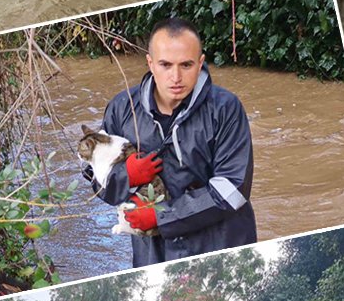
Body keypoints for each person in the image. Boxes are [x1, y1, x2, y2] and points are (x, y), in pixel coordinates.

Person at [88, 17, 256, 266]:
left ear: (200, 64)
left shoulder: (225, 109)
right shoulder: (122, 108)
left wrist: (162, 215)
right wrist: (126, 177)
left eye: (186, 65)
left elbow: (233, 188)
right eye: (165, 65)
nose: (175, 77)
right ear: (150, 63)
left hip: (220, 246)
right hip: (153, 254)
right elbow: (95, 179)